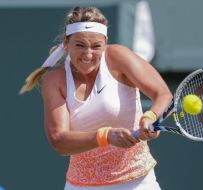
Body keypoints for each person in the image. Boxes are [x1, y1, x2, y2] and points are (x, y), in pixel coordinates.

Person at [20, 6, 173, 190]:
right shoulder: (54, 80)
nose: (88, 54)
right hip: (81, 185)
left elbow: (164, 95)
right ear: (66, 43)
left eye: (96, 46)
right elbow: (59, 141)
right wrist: (106, 136)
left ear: (105, 44)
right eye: (80, 45)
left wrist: (151, 117)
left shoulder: (118, 57)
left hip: (138, 182)